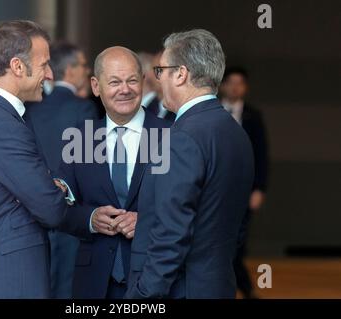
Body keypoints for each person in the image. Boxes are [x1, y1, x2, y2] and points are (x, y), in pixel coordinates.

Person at [125, 29, 254, 299]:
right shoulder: (236, 133)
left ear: (181, 74)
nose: (158, 80)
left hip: (181, 289)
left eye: (161, 71)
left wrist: (142, 296)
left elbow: (171, 233)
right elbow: (237, 224)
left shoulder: (181, 137)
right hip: (217, 284)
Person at [0, 20, 67, 299]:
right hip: (8, 277)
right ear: (18, 67)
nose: (51, 74)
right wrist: (56, 190)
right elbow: (50, 208)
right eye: (44, 65)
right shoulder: (1, 125)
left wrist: (47, 188)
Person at [58, 46, 170, 298]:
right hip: (93, 282)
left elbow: (188, 206)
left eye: (132, 80)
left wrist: (146, 221)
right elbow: (60, 207)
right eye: (115, 82)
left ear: (143, 81)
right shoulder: (80, 139)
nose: (125, 89)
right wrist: (91, 218)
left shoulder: (170, 136)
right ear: (96, 87)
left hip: (154, 278)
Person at [25, 41, 99, 298]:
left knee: (42, 282)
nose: (88, 70)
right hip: (73, 210)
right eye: (83, 65)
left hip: (37, 208)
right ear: (69, 70)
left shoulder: (31, 109)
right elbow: (90, 163)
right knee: (68, 286)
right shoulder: (84, 109)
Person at [220, 66, 269, 298]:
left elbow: (262, 153)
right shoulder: (212, 111)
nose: (235, 87)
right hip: (214, 189)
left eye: (240, 82)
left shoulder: (253, 116)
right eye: (231, 82)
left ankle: (243, 289)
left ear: (246, 87)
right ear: (222, 85)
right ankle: (245, 290)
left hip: (243, 189)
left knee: (236, 242)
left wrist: (259, 188)